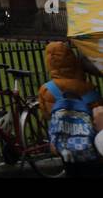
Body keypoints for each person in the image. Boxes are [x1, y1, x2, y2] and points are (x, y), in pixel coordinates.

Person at [37, 41, 102, 178]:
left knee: (71, 170)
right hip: (89, 147)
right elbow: (98, 116)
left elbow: (46, 114)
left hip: (64, 145)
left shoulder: (47, 90)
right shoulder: (88, 88)